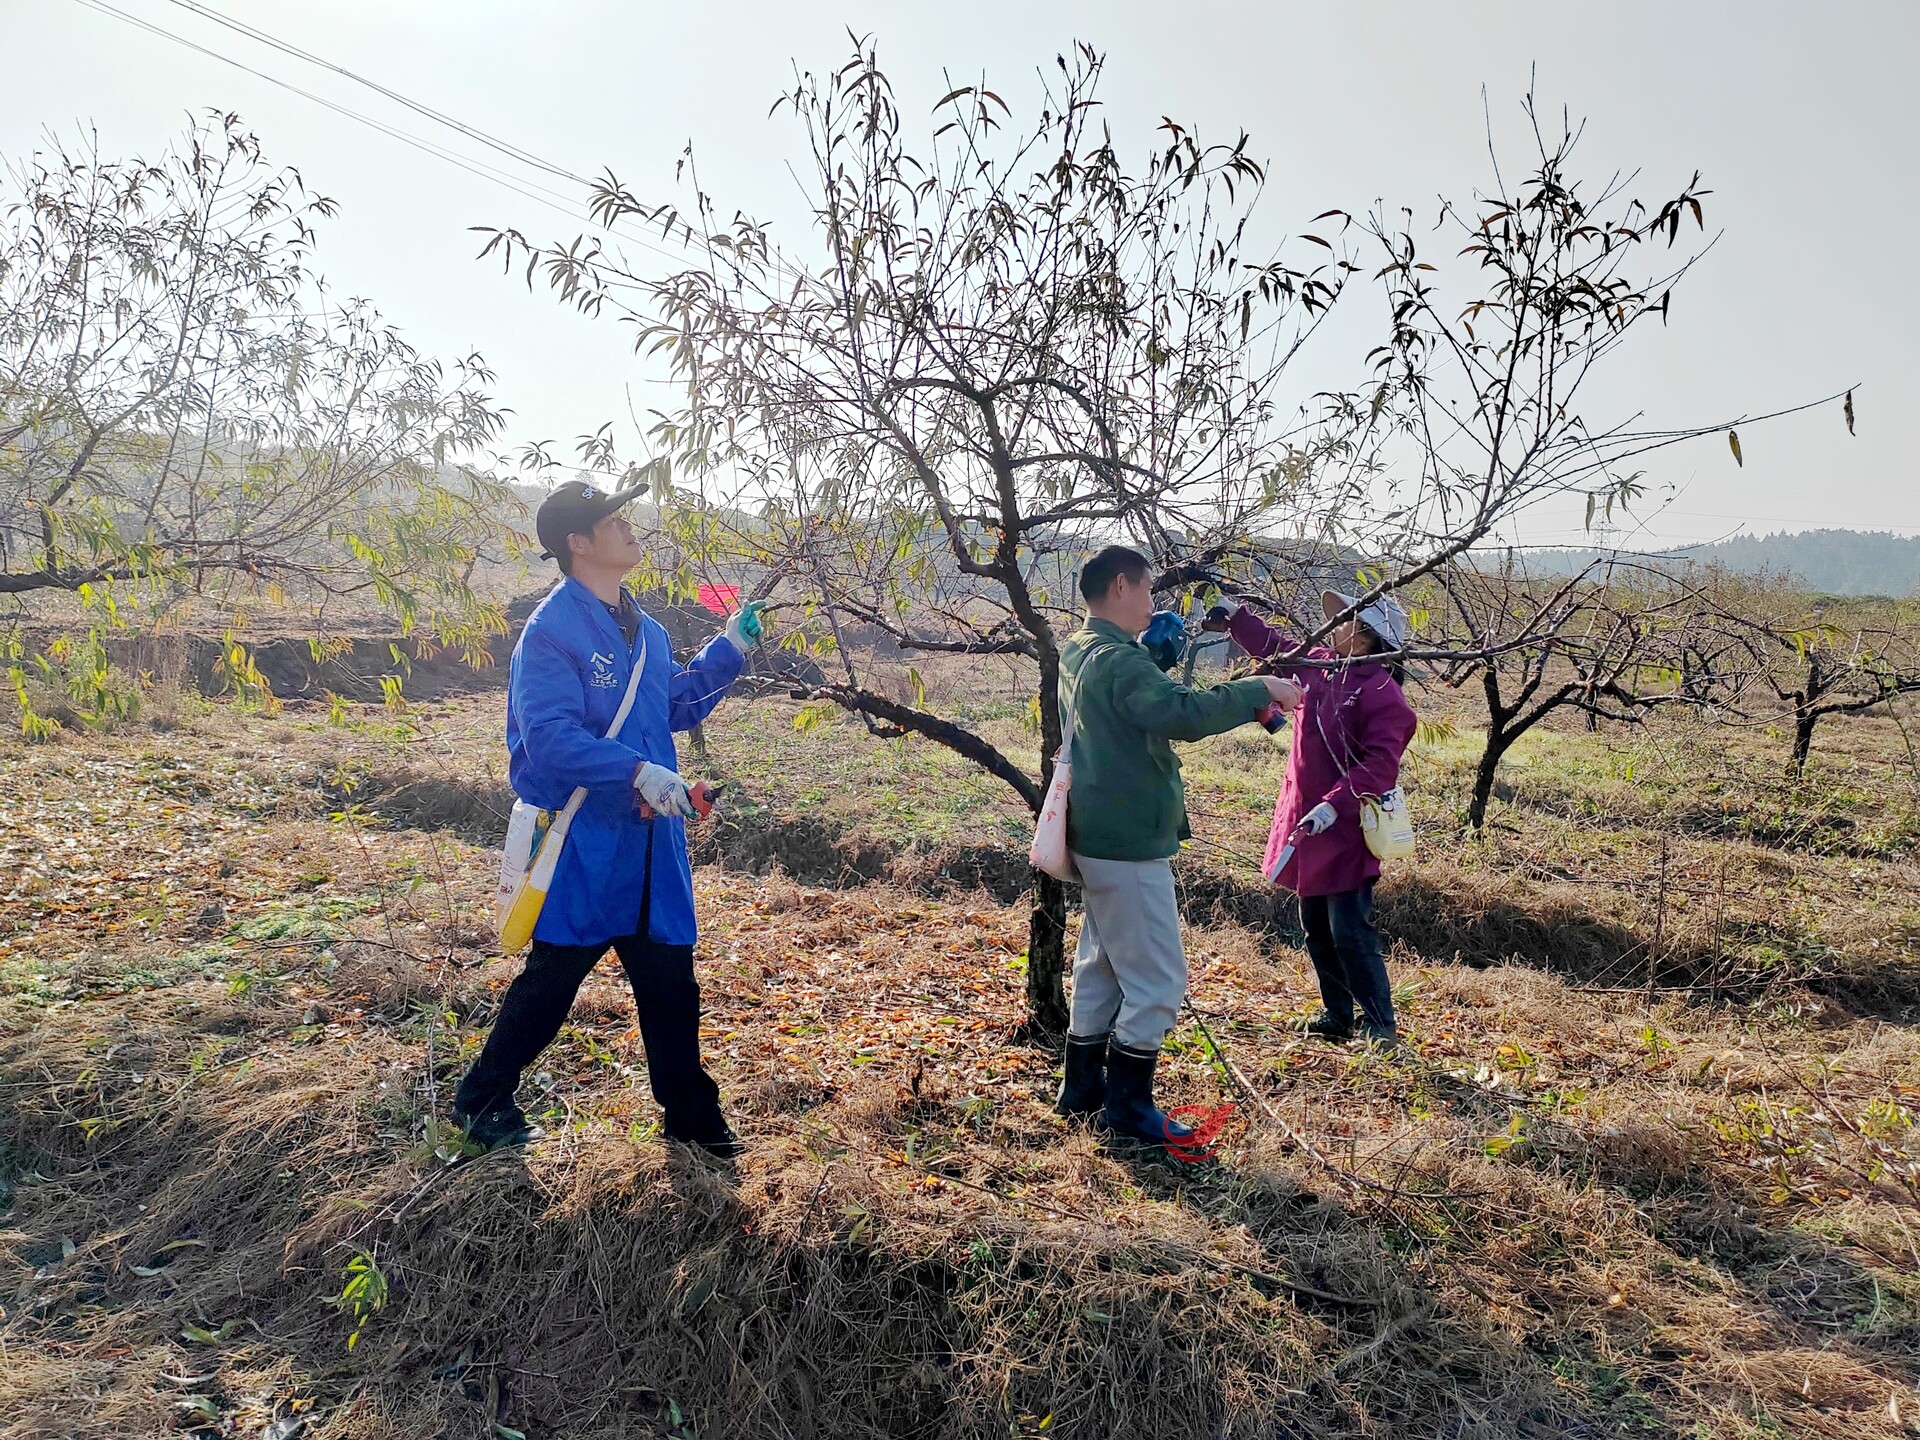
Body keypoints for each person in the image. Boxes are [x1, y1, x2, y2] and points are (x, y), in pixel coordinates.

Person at [451, 479, 765, 1157]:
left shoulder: (646, 631)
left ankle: (693, 1124)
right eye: (613, 520)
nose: (630, 527)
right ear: (578, 542)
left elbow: (673, 705)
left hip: (651, 850)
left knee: (672, 988)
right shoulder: (551, 633)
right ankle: (479, 1100)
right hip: (586, 848)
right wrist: (637, 772)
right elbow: (551, 740)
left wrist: (728, 650)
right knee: (551, 986)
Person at [1054, 546, 1303, 1150]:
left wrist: (1153, 660)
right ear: (1120, 586)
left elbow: (1137, 702)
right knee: (1161, 980)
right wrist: (1256, 689)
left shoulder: (1079, 648)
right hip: (1129, 841)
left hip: (1096, 834)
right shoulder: (1119, 662)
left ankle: (1083, 1089)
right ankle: (1129, 1107)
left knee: (1103, 965)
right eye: (1145, 590)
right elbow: (1181, 715)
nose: (1152, 602)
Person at [1204, 590, 1417, 1046]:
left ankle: (1381, 1024)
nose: (1334, 624)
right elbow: (1276, 648)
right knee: (1315, 926)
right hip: (1304, 818)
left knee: (1350, 930)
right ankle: (1337, 1014)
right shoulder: (1321, 663)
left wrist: (1335, 802)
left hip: (1344, 827)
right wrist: (1236, 617)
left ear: (1366, 636)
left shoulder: (1382, 693)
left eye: (1346, 619)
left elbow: (1380, 766)